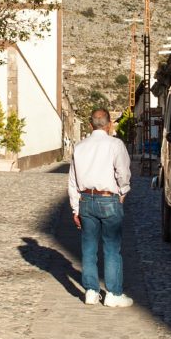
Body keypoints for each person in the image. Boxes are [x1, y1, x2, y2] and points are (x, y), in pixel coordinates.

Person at [68, 107, 134, 307]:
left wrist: (75, 209)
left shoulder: (79, 147)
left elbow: (73, 180)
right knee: (112, 248)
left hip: (86, 200)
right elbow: (123, 172)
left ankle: (91, 291)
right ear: (109, 124)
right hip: (108, 199)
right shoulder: (115, 144)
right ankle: (113, 294)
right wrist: (123, 192)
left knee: (88, 248)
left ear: (90, 125)